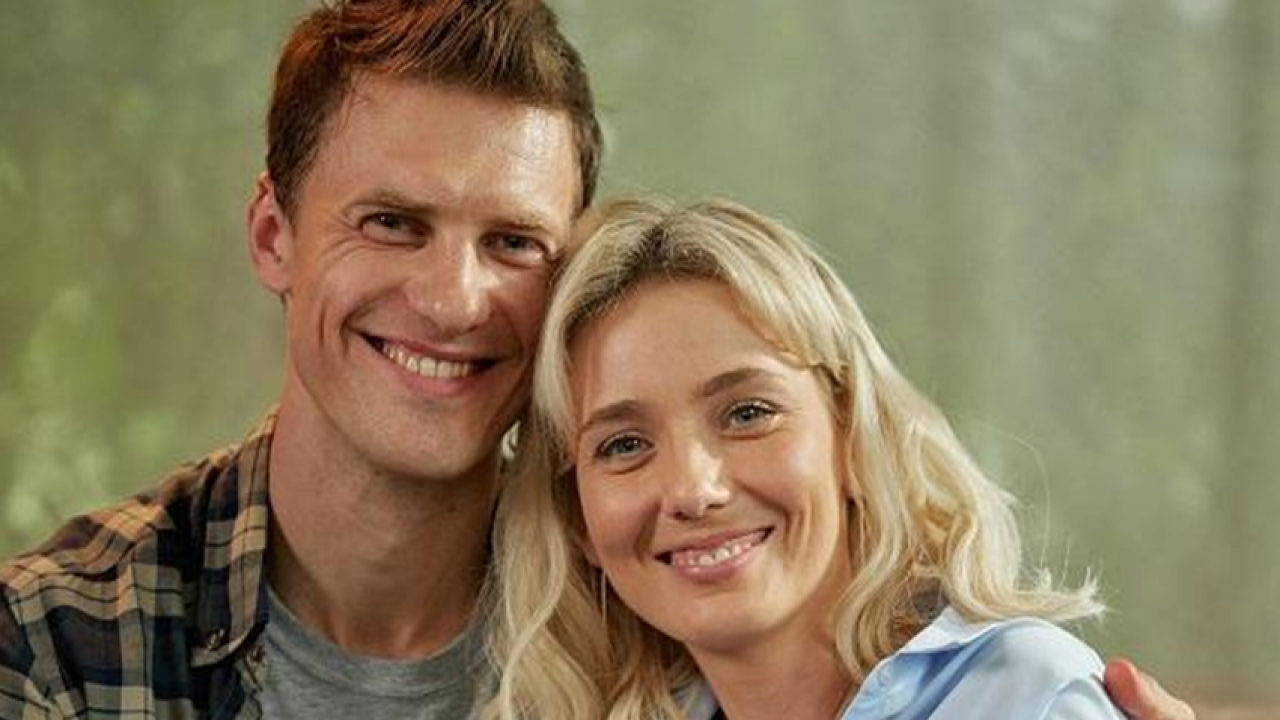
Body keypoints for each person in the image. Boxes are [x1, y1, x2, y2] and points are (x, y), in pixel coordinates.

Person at [0, 2, 1193, 720]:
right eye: (391, 223)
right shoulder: (61, 643)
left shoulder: (671, 620)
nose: (452, 299)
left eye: (513, 242)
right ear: (273, 234)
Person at [486, 197, 1189, 720]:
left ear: (852, 436)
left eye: (748, 414)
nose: (693, 489)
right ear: (579, 519)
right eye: (624, 445)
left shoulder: (1023, 699)